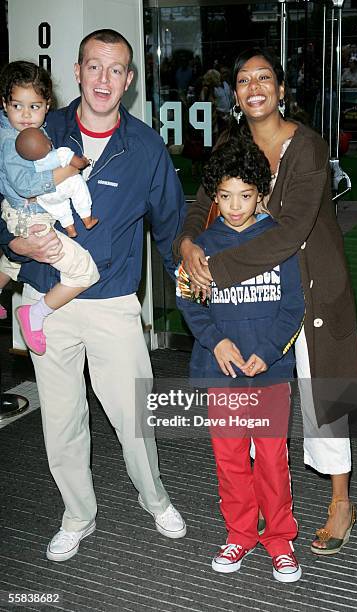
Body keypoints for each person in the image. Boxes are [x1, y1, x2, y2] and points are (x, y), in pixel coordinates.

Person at [0, 29, 187, 561]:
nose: (104, 79)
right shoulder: (36, 128)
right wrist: (11, 243)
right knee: (61, 422)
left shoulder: (146, 147)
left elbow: (171, 229)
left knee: (133, 416)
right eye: (93, 67)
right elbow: (1, 198)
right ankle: (77, 515)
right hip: (43, 303)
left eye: (116, 69)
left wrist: (200, 307)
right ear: (77, 72)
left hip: (111, 303)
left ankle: (155, 499)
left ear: (128, 81)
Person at [175, 47, 357, 555]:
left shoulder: (307, 146)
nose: (254, 85)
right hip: (255, 296)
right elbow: (201, 202)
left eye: (265, 77)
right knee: (252, 400)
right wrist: (189, 244)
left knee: (328, 397)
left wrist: (213, 271)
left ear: (281, 91)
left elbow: (290, 233)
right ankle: (252, 512)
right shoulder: (231, 144)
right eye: (243, 79)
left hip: (313, 288)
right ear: (235, 95)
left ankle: (341, 502)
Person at [177, 137, 304, 582]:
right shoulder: (201, 245)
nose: (235, 206)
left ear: (261, 194)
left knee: (272, 458)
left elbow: (294, 305)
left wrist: (267, 354)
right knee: (230, 458)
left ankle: (279, 538)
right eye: (225, 196)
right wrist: (217, 342)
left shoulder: (277, 240)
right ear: (214, 195)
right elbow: (189, 301)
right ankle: (240, 533)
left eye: (245, 196)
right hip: (221, 370)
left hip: (268, 373)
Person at [0, 61, 100, 355]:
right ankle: (34, 315)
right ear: (5, 104)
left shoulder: (17, 130)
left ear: (47, 105)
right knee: (84, 272)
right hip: (28, 216)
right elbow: (27, 185)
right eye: (18, 106)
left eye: (35, 106)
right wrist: (68, 172)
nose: (26, 115)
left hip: (21, 214)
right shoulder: (12, 142)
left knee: (17, 258)